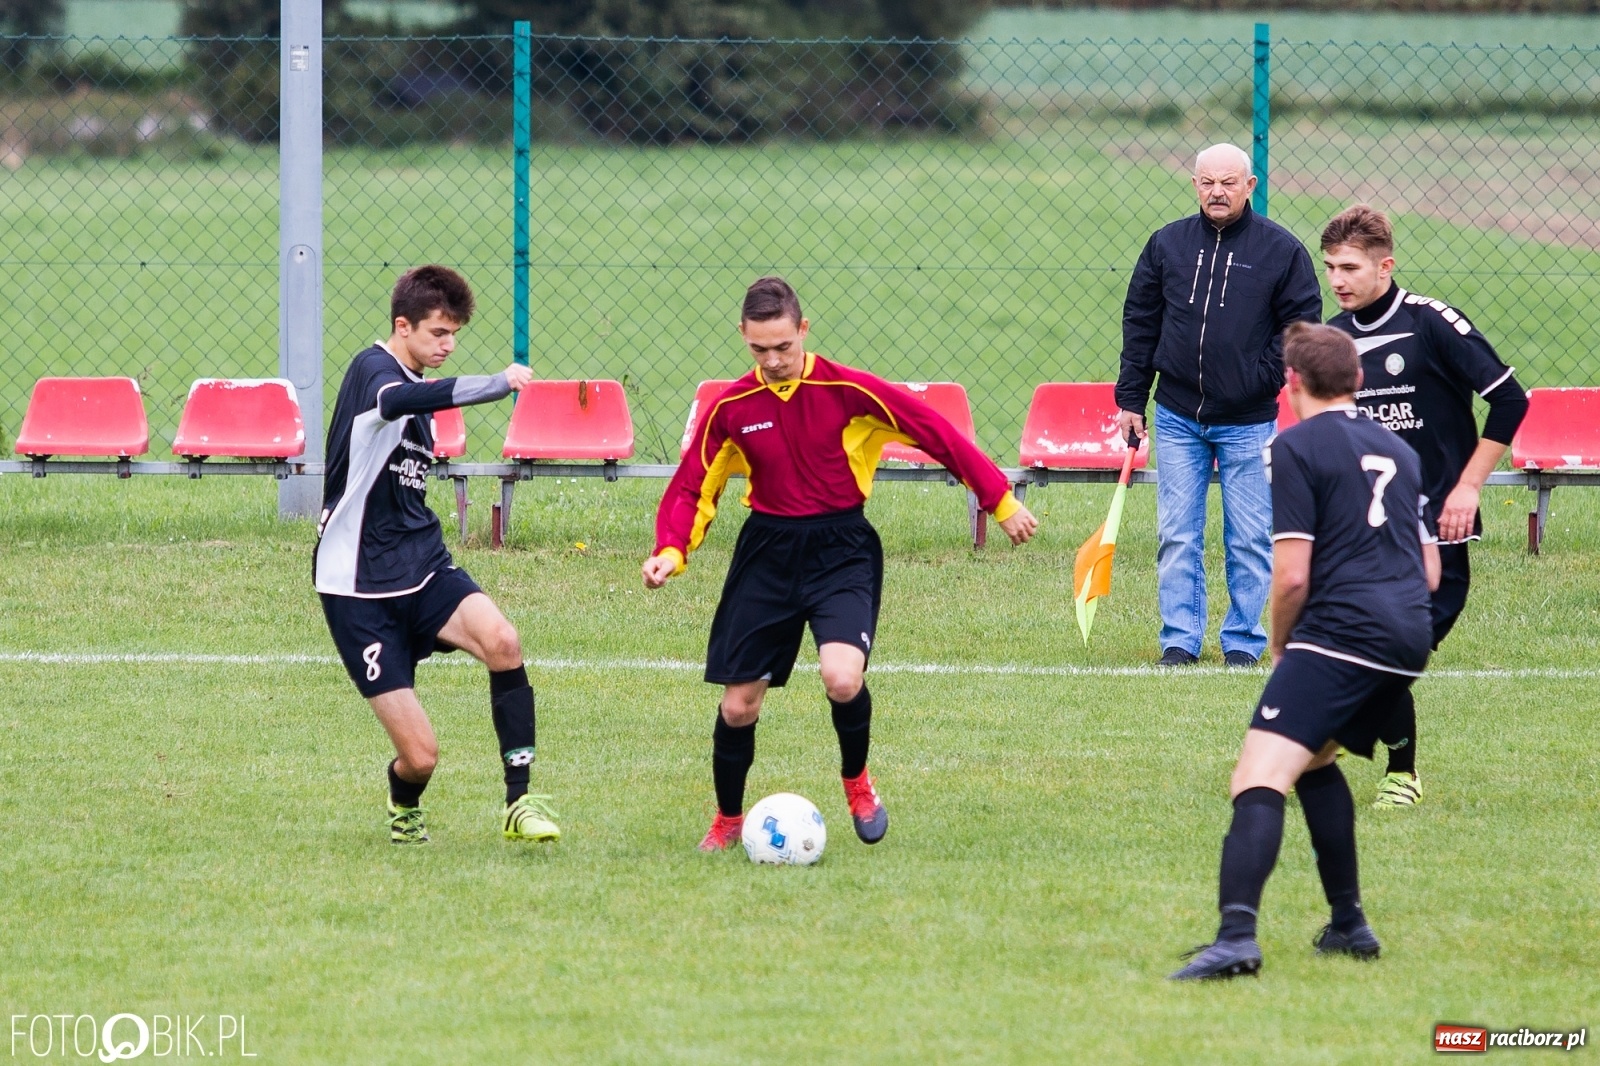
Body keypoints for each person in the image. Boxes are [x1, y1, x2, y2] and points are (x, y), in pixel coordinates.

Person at [641, 277, 1039, 852]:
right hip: (766, 555)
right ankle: (728, 821)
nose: (774, 360)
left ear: (803, 330)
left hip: (841, 550)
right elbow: (693, 487)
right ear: (744, 338)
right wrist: (670, 552)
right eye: (759, 350)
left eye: (783, 346)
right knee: (738, 705)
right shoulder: (731, 407)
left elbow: (935, 431)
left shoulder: (851, 391)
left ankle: (857, 782)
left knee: (842, 678)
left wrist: (998, 500)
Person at [1169, 323, 1442, 981]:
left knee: (1256, 777)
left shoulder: (1292, 448)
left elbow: (1291, 575)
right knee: (1316, 761)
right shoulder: (1398, 450)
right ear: (1358, 381)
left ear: (1290, 385)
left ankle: (1236, 938)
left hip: (1342, 634)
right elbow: (1431, 572)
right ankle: (1349, 924)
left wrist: (1284, 646)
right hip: (1408, 636)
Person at [314, 265, 561, 846]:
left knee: (503, 640)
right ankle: (405, 806)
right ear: (403, 326)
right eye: (437, 334)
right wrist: (497, 382)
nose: (447, 346)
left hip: (422, 565)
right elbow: (401, 399)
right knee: (421, 758)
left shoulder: (415, 374)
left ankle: (519, 803)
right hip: (357, 587)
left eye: (454, 335)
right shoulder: (374, 372)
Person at [1322, 204, 1529, 808]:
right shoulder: (1333, 338)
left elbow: (1511, 401)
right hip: (1365, 532)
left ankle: (1392, 769)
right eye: (1331, 266)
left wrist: (1467, 487)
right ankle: (1372, 763)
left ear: (1385, 266)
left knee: (1383, 652)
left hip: (1439, 525)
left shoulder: (1432, 323)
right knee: (1359, 651)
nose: (1338, 279)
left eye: (1351, 267)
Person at [1115, 143, 1323, 668]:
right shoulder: (1167, 245)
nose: (1217, 192)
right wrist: (1131, 398)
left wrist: (1261, 380)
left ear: (1250, 186)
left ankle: (1242, 642)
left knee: (1250, 537)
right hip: (1178, 415)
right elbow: (1140, 323)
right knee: (1177, 534)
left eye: (1229, 182)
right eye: (1207, 182)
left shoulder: (1283, 251)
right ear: (1194, 185)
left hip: (1249, 421)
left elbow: (1301, 329)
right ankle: (1180, 640)